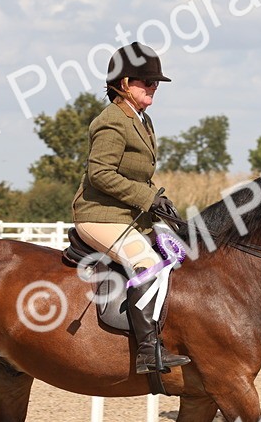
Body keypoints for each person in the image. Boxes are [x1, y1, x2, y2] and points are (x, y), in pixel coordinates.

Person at [71, 42, 189, 374]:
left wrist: (161, 205)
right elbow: (101, 173)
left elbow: (137, 176)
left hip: (127, 216)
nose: (153, 88)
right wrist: (147, 198)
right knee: (147, 261)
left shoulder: (143, 121)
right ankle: (148, 351)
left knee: (179, 251)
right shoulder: (111, 121)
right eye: (146, 82)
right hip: (99, 216)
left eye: (155, 83)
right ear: (123, 84)